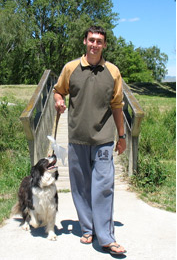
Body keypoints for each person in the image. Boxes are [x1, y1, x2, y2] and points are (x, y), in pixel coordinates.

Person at [53, 25, 126, 255]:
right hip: (77, 138)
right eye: (91, 40)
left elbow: (117, 106)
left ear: (104, 45)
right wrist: (58, 100)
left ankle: (106, 237)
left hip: (104, 138)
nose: (95, 44)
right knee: (81, 187)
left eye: (99, 41)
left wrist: (121, 136)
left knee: (103, 187)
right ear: (85, 41)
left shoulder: (113, 72)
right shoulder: (70, 68)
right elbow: (58, 91)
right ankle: (87, 227)